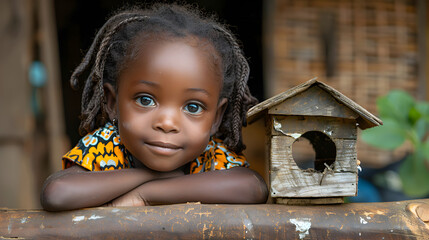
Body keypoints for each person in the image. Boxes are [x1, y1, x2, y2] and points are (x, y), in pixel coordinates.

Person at [41, 3, 268, 211]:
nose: (167, 123)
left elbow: (253, 187)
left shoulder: (209, 153)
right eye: (145, 100)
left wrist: (146, 194)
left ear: (216, 117)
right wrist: (153, 175)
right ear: (112, 103)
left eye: (193, 107)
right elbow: (57, 193)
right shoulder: (107, 144)